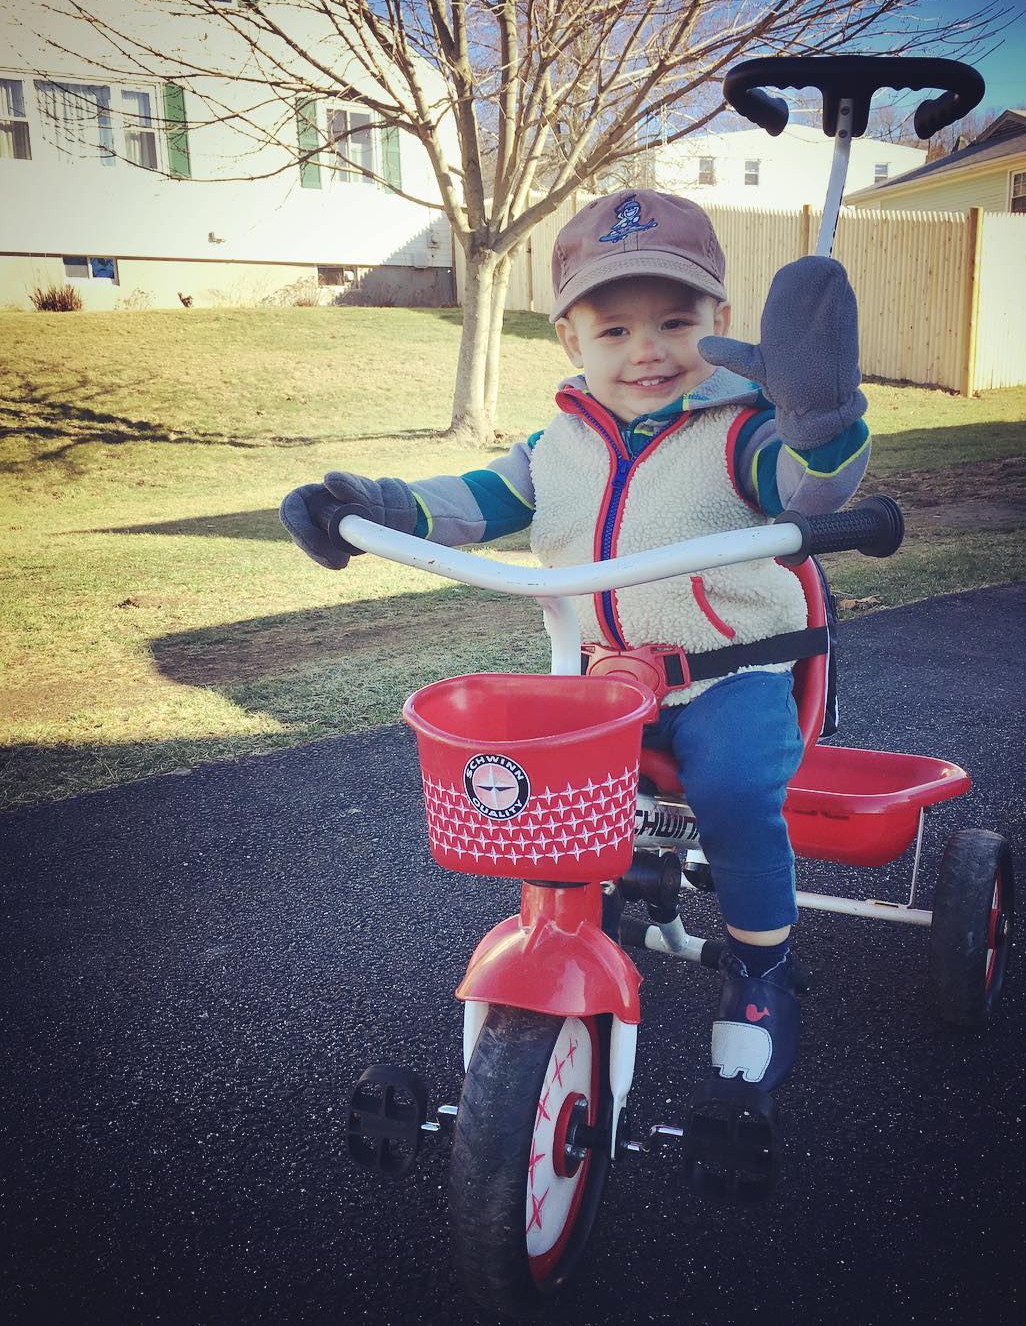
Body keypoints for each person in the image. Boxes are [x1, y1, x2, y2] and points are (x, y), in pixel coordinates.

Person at [281, 189, 869, 1147]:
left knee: (731, 790)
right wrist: (376, 504)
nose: (648, 349)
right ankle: (576, 935)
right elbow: (475, 501)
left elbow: (810, 484)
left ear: (720, 324)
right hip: (603, 679)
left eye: (678, 322)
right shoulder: (559, 442)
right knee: (542, 784)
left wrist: (819, 416)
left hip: (734, 676)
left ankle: (761, 970)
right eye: (616, 327)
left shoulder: (744, 430)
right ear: (570, 341)